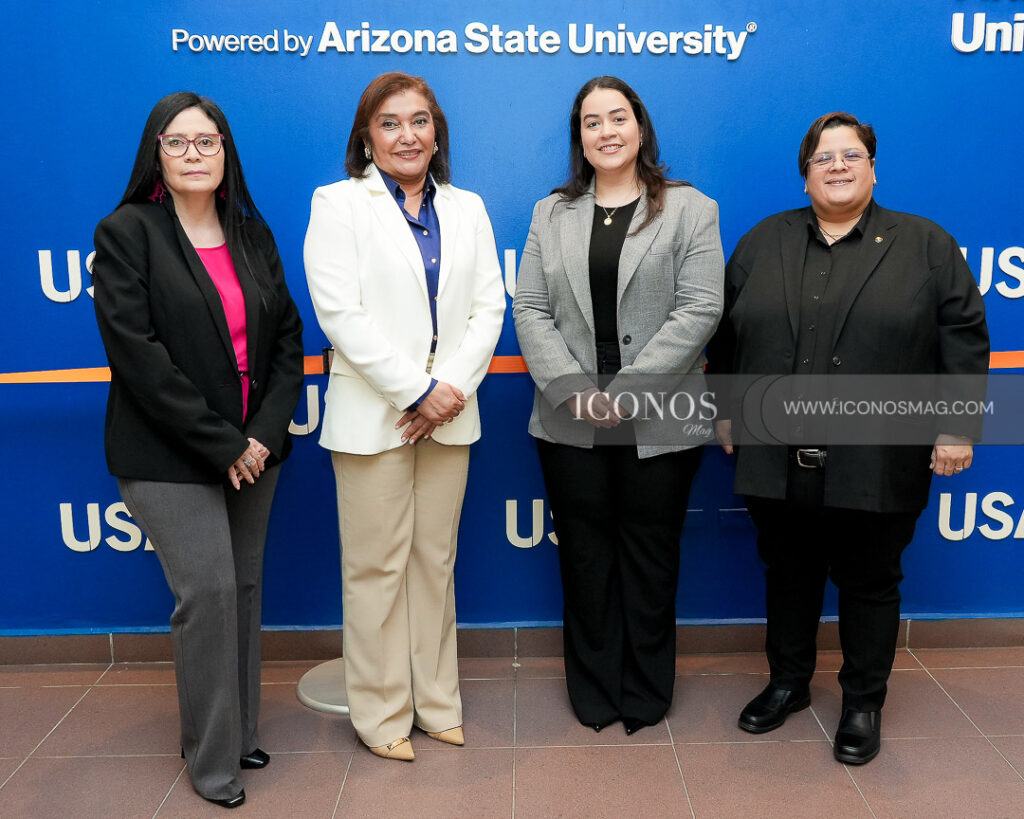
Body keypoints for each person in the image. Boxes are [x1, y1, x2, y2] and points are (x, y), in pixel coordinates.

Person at [707, 111, 989, 764]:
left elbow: (964, 339)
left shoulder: (925, 244)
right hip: (775, 454)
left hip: (880, 456)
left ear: (873, 169)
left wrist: (955, 426)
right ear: (804, 176)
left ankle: (863, 702)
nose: (837, 166)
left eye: (851, 155)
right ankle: (787, 683)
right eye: (823, 158)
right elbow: (726, 338)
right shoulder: (763, 242)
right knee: (789, 573)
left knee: (870, 581)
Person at [92, 92, 304, 807]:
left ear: (225, 152)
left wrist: (262, 436)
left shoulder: (251, 233)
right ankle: (213, 764)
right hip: (168, 453)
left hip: (254, 450)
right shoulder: (128, 232)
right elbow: (138, 356)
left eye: (206, 141)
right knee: (208, 595)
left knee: (241, 591)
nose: (193, 154)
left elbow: (287, 341)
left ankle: (238, 733)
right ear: (156, 153)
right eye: (177, 141)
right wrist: (223, 444)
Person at [512, 76, 724, 735]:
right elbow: (529, 309)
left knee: (650, 559)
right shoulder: (552, 213)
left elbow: (701, 308)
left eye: (618, 117)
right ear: (579, 138)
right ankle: (595, 690)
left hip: (660, 416)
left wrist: (629, 390)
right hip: (568, 417)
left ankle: (646, 691)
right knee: (584, 558)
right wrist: (575, 390)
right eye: (592, 121)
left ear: (640, 127)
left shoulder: (691, 209)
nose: (606, 131)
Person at [303, 72, 505, 762]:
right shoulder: (337, 203)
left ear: (437, 133)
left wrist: (447, 392)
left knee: (434, 564)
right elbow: (340, 313)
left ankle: (438, 702)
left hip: (450, 415)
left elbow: (489, 307)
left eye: (420, 121)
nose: (407, 135)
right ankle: (382, 712)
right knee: (376, 571)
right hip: (375, 417)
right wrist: (416, 392)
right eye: (389, 123)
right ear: (367, 137)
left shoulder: (468, 208)